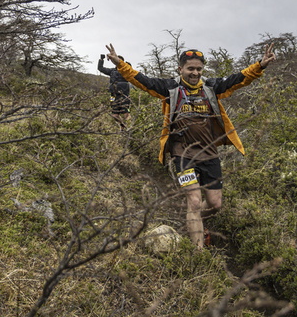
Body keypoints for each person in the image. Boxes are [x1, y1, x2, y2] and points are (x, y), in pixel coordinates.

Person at [104, 43, 276, 248]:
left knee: (215, 204)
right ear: (180, 69)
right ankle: (198, 254)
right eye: (190, 69)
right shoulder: (170, 88)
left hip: (209, 153)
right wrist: (120, 64)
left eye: (199, 69)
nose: (195, 73)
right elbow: (142, 81)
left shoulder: (211, 87)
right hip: (182, 154)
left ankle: (194, 222)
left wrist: (260, 65)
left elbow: (238, 79)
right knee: (193, 201)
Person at [97, 54, 132, 130]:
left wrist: (126, 64)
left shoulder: (126, 70)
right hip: (113, 96)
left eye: (117, 60)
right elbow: (100, 68)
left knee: (126, 114)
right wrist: (101, 60)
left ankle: (131, 129)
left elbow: (130, 69)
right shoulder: (112, 71)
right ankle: (122, 126)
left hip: (124, 96)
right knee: (114, 115)